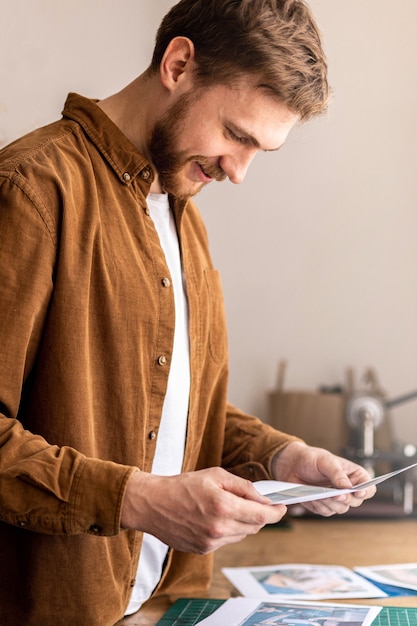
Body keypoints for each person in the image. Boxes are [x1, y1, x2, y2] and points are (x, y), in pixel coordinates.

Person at [0, 1, 376, 624]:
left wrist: (283, 458)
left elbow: (174, 404)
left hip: (162, 605)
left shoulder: (181, 216)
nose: (239, 172)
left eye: (261, 150)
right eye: (236, 134)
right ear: (178, 64)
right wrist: (137, 502)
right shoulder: (32, 192)